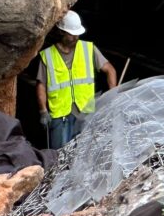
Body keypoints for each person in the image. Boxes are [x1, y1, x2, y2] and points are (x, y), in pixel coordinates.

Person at [36, 10, 118, 148]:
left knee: (84, 152)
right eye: (71, 34)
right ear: (61, 32)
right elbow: (41, 85)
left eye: (77, 34)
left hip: (86, 112)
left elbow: (110, 70)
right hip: (60, 114)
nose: (75, 37)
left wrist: (113, 96)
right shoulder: (48, 55)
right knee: (59, 154)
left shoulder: (88, 49)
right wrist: (43, 111)